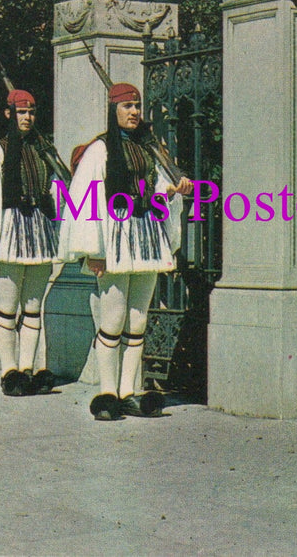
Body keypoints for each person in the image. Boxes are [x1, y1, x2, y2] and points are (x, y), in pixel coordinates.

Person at [57, 82, 192, 421]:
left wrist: (174, 191)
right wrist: (94, 250)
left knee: (138, 318)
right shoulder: (99, 150)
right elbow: (85, 200)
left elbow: (159, 188)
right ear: (113, 110)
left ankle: (128, 391)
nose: (134, 112)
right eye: (127, 106)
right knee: (113, 318)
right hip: (115, 237)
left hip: (145, 236)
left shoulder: (148, 149)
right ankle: (107, 392)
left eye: (137, 106)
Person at [0, 89, 60, 397]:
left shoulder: (45, 150)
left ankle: (28, 369)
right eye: (21, 112)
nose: (27, 117)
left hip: (40, 231)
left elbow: (57, 192)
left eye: (31, 112)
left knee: (33, 307)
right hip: (10, 232)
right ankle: (9, 370)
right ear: (8, 114)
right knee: (7, 307)